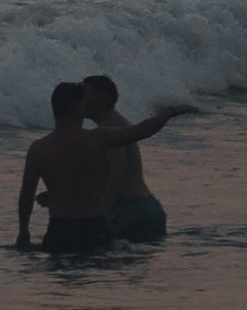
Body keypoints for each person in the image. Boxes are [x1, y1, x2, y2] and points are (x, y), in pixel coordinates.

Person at [77, 73, 190, 241]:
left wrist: (104, 211)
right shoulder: (116, 122)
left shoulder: (110, 126)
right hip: (146, 206)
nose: (80, 100)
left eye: (84, 95)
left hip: (130, 210)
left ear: (99, 98)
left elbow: (118, 168)